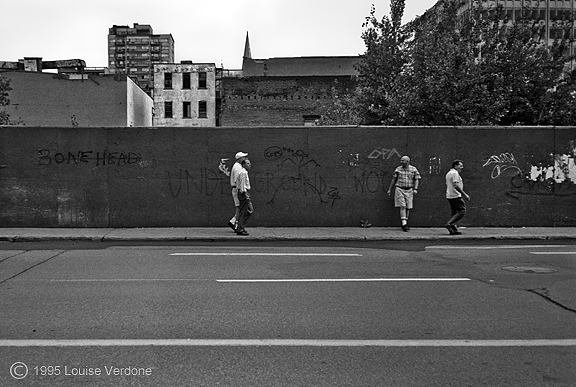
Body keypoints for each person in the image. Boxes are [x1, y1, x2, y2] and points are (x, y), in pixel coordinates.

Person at [387, 155, 421, 231]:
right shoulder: (398, 169)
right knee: (402, 205)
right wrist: (390, 189)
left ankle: (405, 221)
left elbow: (417, 179)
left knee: (408, 207)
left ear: (407, 161)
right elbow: (394, 179)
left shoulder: (413, 169)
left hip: (409, 190)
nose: (401, 162)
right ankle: (404, 223)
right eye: (401, 160)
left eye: (403, 160)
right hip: (400, 189)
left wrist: (415, 189)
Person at [445, 159, 471, 235]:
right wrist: (464, 194)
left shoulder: (449, 173)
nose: (462, 167)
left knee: (454, 212)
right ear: (455, 166)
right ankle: (449, 224)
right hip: (455, 195)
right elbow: (456, 185)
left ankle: (453, 229)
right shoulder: (455, 173)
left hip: (449, 195)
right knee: (462, 210)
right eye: (460, 166)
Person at [228, 151, 248, 231]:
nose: (245, 158)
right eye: (243, 157)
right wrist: (242, 190)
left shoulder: (237, 166)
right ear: (240, 159)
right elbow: (238, 180)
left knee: (239, 207)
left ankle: (234, 222)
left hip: (236, 189)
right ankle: (234, 222)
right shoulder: (237, 167)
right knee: (239, 208)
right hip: (237, 189)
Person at [235, 159, 253, 235]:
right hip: (243, 193)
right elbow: (242, 185)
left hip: (243, 192)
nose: (250, 164)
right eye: (248, 163)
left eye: (249, 163)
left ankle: (240, 226)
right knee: (244, 211)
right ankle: (240, 228)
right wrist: (245, 194)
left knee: (249, 210)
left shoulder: (243, 172)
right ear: (244, 164)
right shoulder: (243, 173)